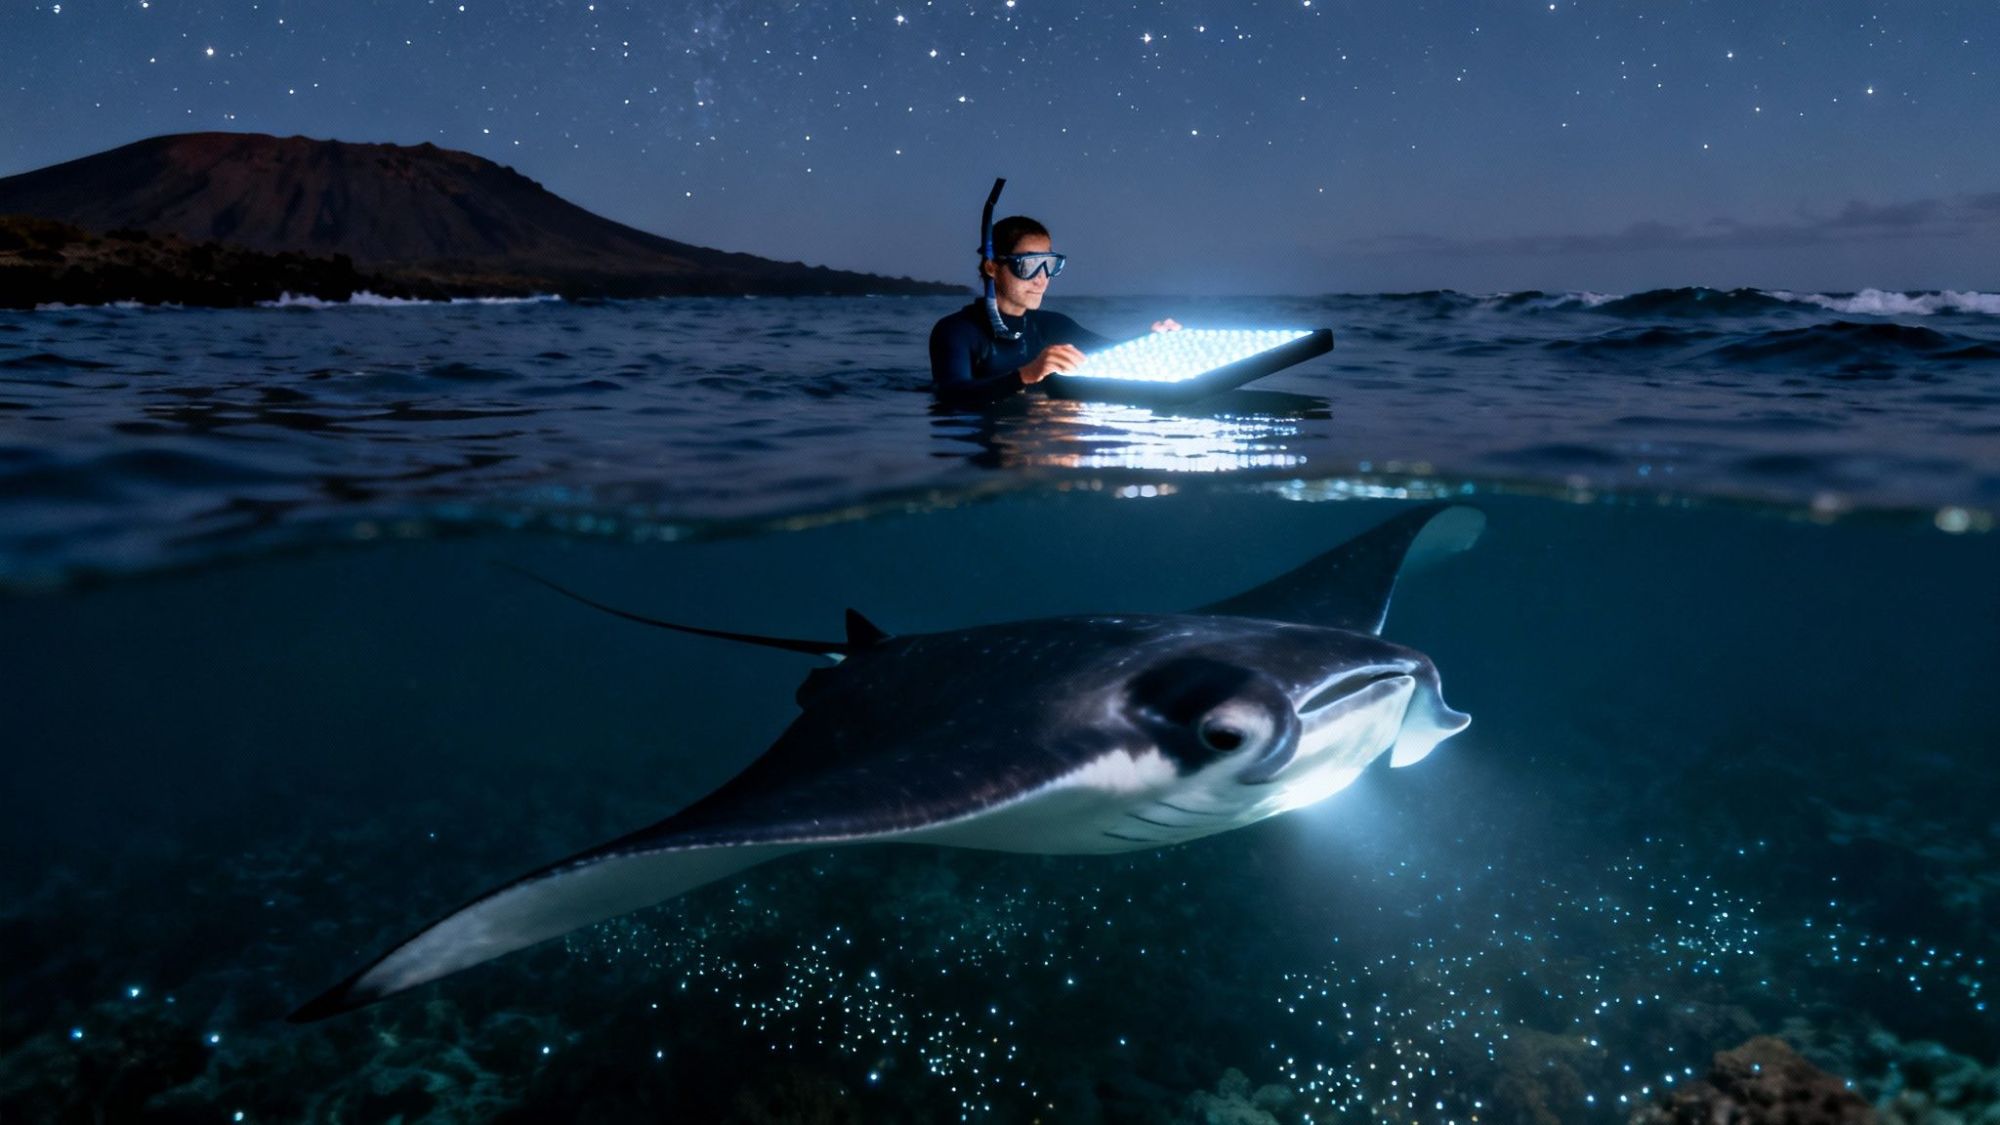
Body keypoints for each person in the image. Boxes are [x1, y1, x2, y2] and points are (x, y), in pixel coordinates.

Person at [928, 215, 1179, 404]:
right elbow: (950, 393)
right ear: (992, 267)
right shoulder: (955, 331)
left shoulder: (1053, 327)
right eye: (1029, 265)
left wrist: (1152, 339)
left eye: (1049, 264)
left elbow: (1112, 351)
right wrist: (1025, 376)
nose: (1042, 279)